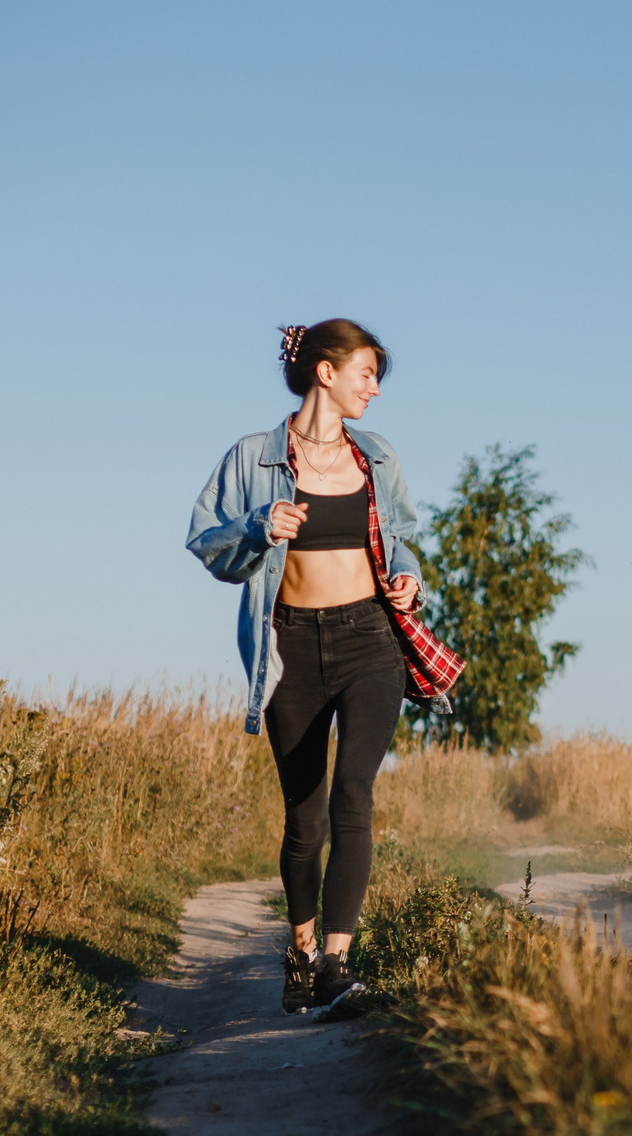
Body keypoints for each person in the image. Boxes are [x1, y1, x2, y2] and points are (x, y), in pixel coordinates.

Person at [187, 319, 461, 1017]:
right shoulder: (252, 457)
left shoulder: (378, 459)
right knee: (305, 816)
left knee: (354, 795)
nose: (374, 387)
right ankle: (302, 952)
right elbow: (204, 538)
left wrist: (407, 579)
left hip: (370, 638)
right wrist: (257, 526)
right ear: (325, 372)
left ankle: (338, 963)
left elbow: (402, 542)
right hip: (292, 646)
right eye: (366, 372)